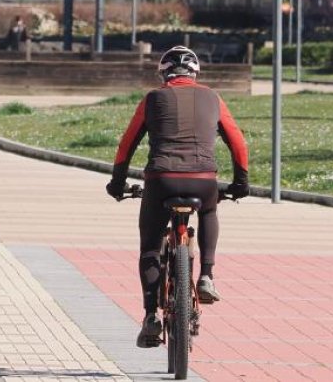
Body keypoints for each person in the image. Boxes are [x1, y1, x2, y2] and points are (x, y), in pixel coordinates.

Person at [106, 45, 250, 348]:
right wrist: (240, 183)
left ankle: (150, 316)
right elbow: (238, 143)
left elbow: (126, 145)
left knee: (150, 247)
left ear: (164, 74)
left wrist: (117, 183)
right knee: (209, 212)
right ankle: (207, 275)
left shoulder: (153, 99)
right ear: (195, 73)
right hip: (203, 180)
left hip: (161, 181)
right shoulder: (213, 98)